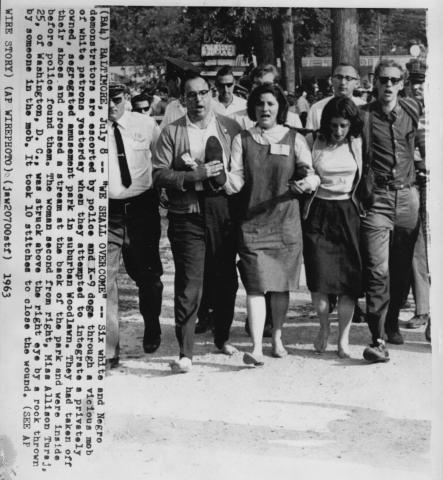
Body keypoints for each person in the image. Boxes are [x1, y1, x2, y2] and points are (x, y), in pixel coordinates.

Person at [153, 71, 243, 373]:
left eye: (204, 93)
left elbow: (241, 171)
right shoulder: (172, 131)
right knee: (190, 283)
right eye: (191, 94)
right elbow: (158, 173)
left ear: (213, 95)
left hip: (222, 210)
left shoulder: (230, 128)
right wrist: (193, 176)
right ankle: (185, 352)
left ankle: (222, 337)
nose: (198, 99)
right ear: (183, 100)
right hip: (186, 213)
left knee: (226, 279)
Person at [233, 83, 320, 366]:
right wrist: (220, 179)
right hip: (252, 224)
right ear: (253, 108)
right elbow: (236, 180)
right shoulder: (242, 139)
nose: (265, 108)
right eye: (260, 104)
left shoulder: (295, 138)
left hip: (285, 223)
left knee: (280, 286)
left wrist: (306, 183)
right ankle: (256, 347)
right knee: (256, 286)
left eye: (270, 103)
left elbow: (311, 174)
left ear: (280, 107)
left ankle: (277, 338)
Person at [359, 59, 423, 363]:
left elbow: (422, 145)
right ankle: (378, 335)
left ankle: (394, 319)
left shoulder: (411, 110)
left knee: (400, 267)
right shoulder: (363, 116)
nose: (388, 85)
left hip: (408, 196)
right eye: (383, 80)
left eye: (394, 80)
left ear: (402, 83)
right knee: (377, 269)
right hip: (378, 199)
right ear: (375, 82)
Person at [106, 83, 163, 369]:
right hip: (108, 213)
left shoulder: (146, 124)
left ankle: (152, 324)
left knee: (149, 278)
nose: (110, 106)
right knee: (104, 281)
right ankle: (109, 348)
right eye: (103, 100)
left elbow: (162, 159)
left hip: (142, 209)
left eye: (115, 100)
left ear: (126, 99)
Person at [305, 63, 367, 324]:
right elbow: (303, 163)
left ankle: (345, 330)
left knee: (349, 274)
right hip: (319, 210)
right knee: (319, 273)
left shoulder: (359, 136)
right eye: (339, 77)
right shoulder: (317, 114)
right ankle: (323, 326)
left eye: (349, 78)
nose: (338, 131)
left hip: (348, 210)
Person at [231, 64, 303, 130]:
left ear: (276, 86)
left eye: (267, 84)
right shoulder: (235, 119)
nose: (262, 89)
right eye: (258, 84)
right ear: (252, 86)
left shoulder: (292, 120)